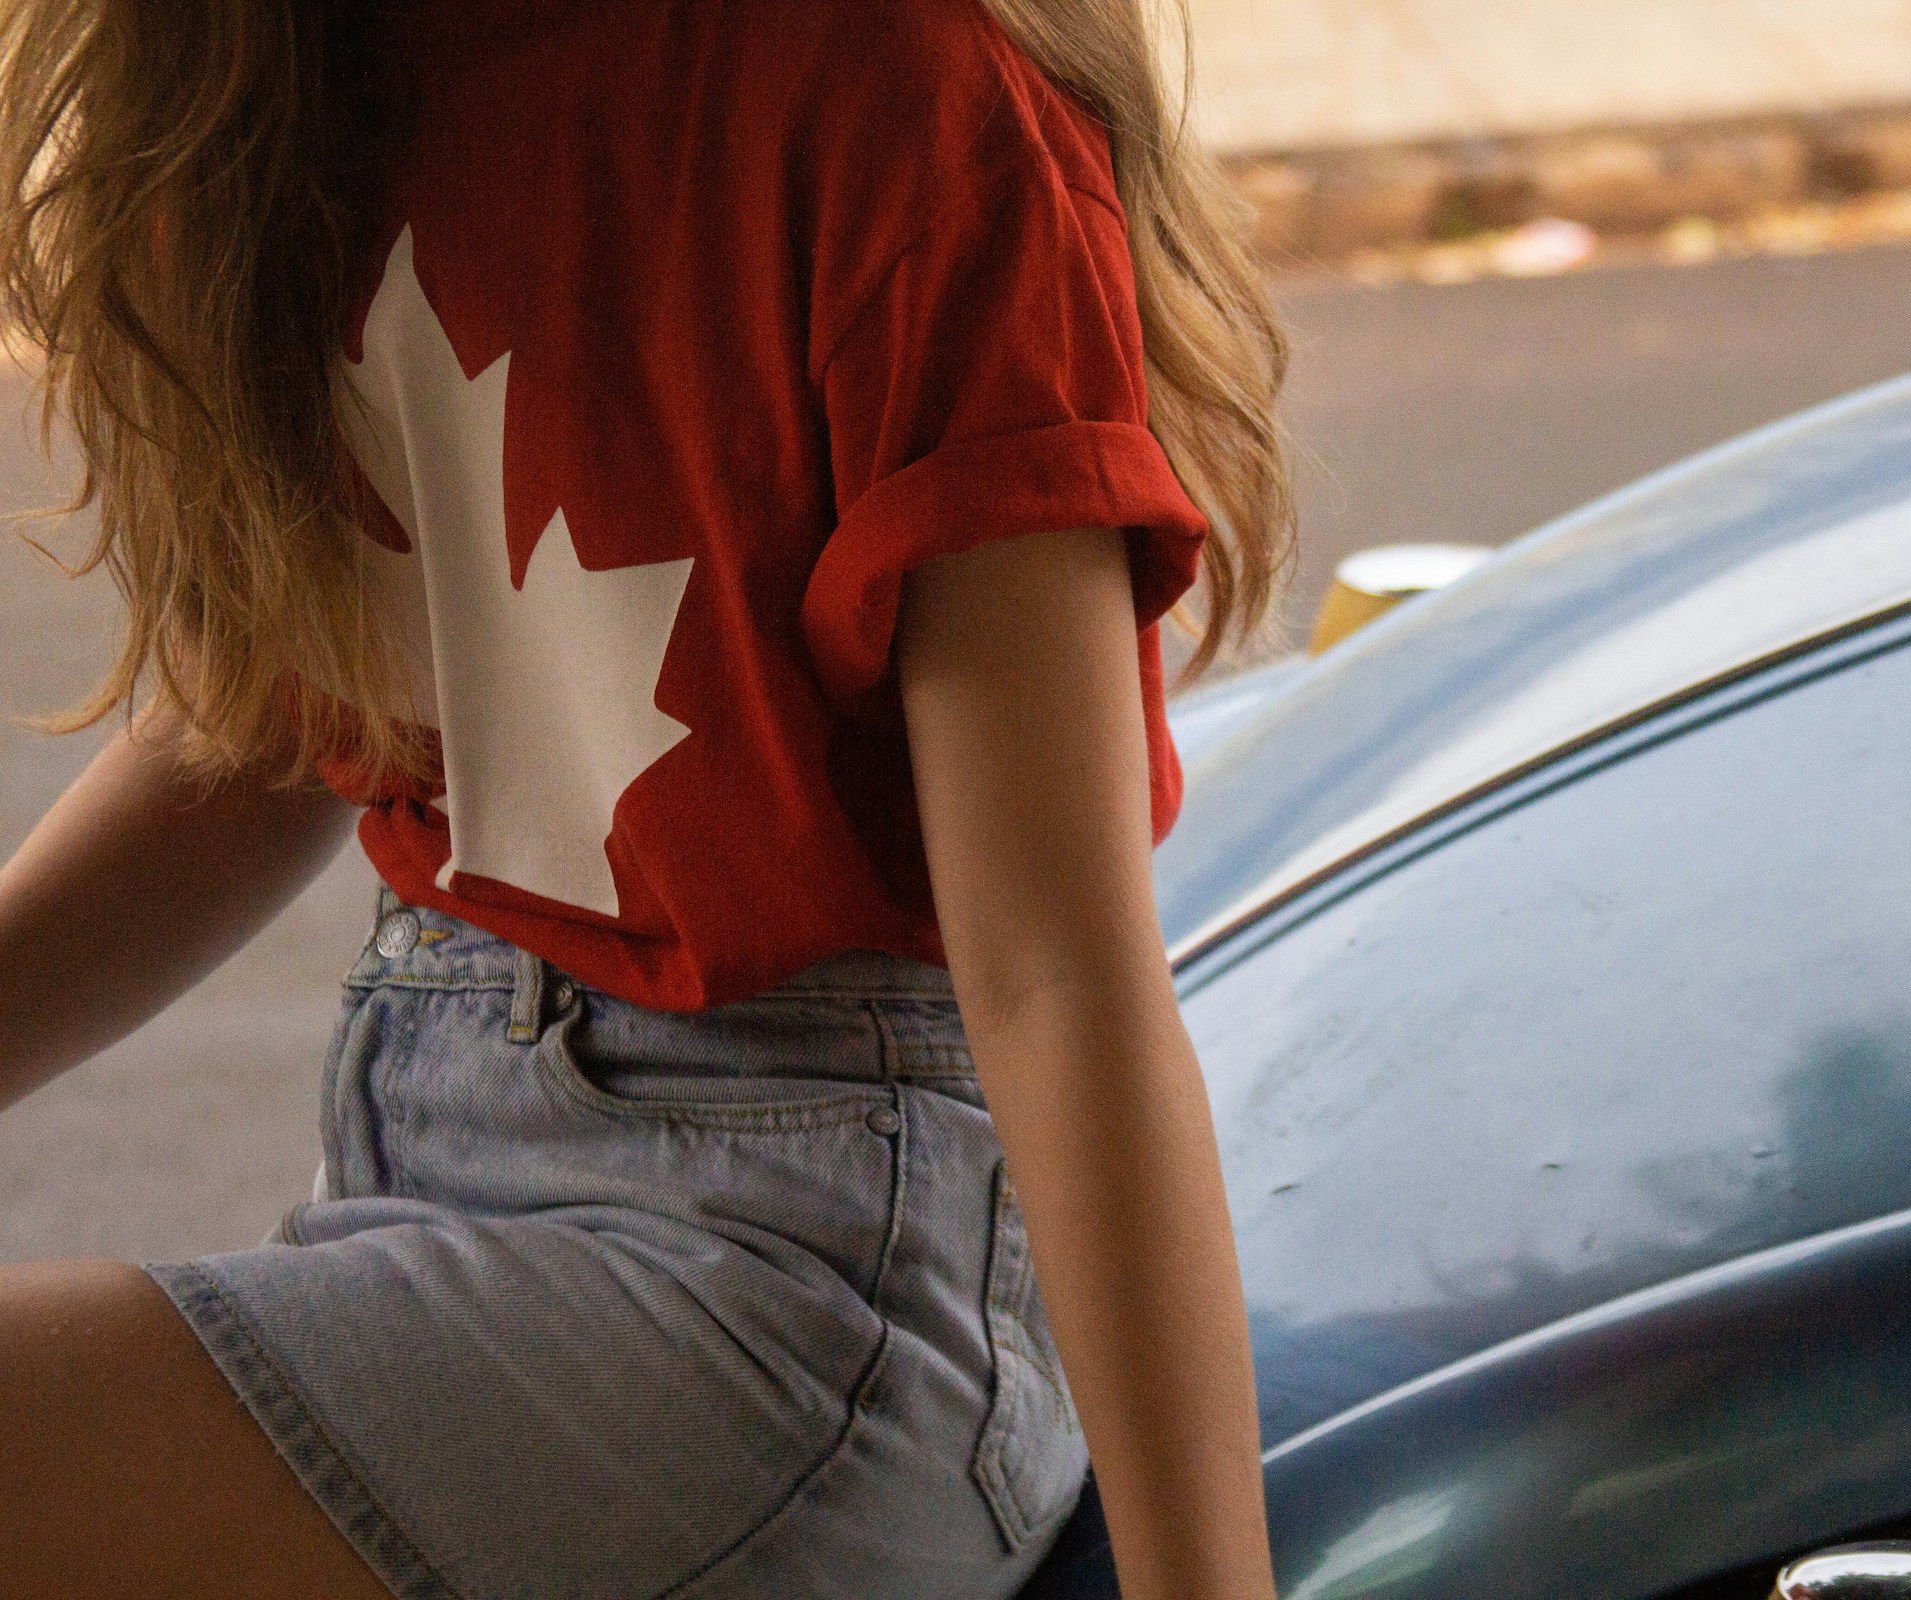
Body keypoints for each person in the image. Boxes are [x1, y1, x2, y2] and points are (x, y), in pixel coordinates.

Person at [0, 0, 1292, 1596]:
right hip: (426, 1167)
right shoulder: (263, 82)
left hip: (807, 1269)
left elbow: (1053, 967)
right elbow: (271, 728)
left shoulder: (902, 84)